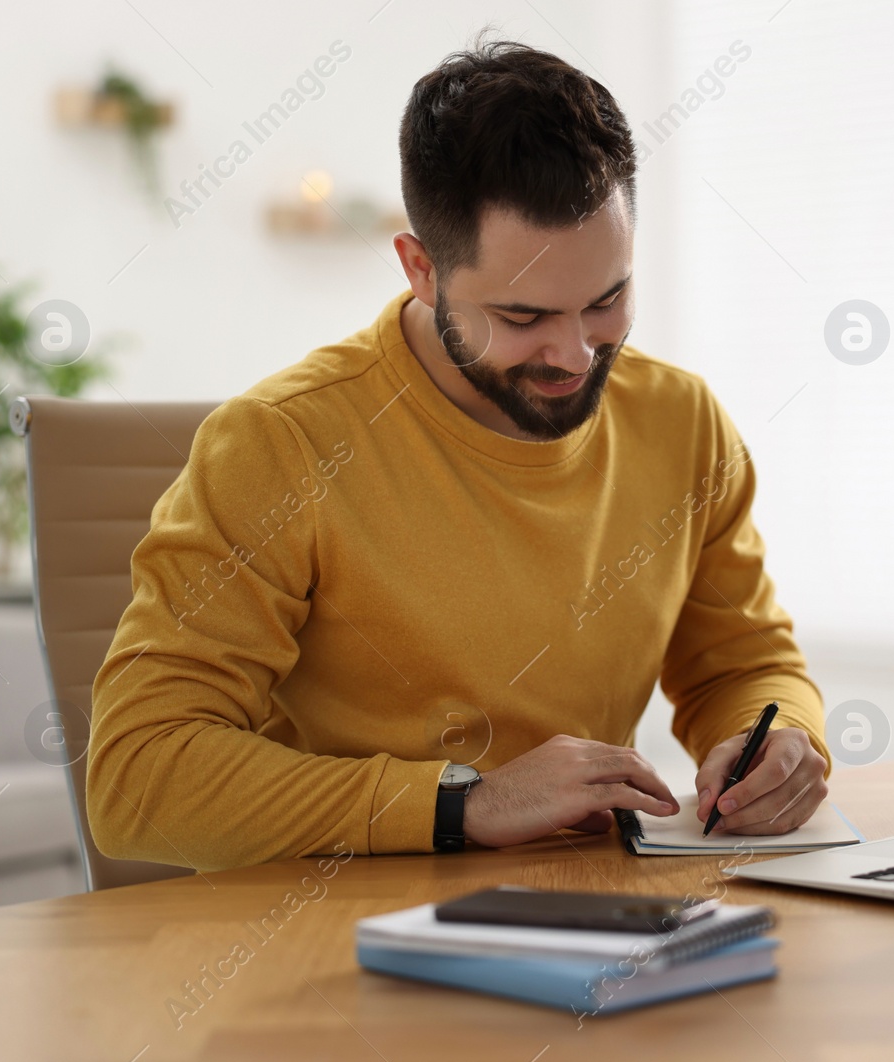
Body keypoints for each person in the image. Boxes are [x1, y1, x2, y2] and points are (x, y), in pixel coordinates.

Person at [87, 39, 830, 871]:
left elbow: (743, 662)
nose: (577, 354)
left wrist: (779, 739)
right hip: (323, 943)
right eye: (522, 318)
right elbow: (136, 777)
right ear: (421, 270)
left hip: (589, 920)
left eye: (607, 300)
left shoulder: (682, 422)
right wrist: (461, 804)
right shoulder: (278, 444)